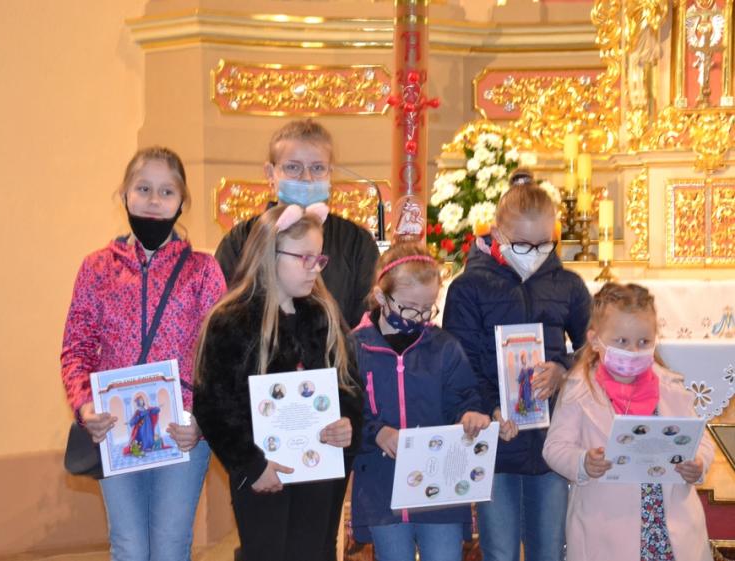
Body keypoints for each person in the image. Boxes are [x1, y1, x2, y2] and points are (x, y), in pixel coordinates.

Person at [60, 146, 226, 561]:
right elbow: (77, 347)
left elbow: (221, 356)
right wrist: (85, 407)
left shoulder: (204, 270)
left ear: (182, 201)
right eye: (143, 188)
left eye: (167, 191)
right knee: (129, 547)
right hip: (116, 427)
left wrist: (200, 420)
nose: (154, 200)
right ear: (124, 195)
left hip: (181, 431)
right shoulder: (96, 268)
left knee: (170, 547)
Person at [193, 203, 364, 561]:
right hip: (262, 474)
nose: (314, 269)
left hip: (318, 471)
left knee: (316, 552)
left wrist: (346, 422)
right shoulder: (231, 321)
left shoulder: (323, 315)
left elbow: (348, 386)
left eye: (319, 259)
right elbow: (213, 405)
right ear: (269, 254)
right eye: (304, 258)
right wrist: (251, 466)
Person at [443, 173, 591, 561]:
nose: (535, 253)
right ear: (497, 233)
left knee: (549, 549)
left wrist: (563, 369)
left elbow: (595, 349)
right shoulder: (468, 288)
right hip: (496, 441)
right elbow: (459, 366)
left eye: (545, 243)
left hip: (551, 441)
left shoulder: (568, 285)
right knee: (500, 550)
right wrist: (490, 409)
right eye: (523, 245)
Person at [543, 282, 715, 561]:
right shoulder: (579, 390)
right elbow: (554, 448)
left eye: (644, 342)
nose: (634, 351)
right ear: (595, 340)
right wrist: (583, 462)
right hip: (606, 530)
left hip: (669, 529)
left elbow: (700, 438)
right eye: (622, 341)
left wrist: (698, 463)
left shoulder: (669, 387)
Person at [350, 243, 492, 561]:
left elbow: (464, 397)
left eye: (429, 308)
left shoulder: (445, 346)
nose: (421, 317)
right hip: (382, 490)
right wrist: (376, 432)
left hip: (440, 492)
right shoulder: (355, 348)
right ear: (381, 297)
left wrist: (470, 415)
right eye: (411, 308)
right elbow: (348, 411)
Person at [215, 118, 379, 329]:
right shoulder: (240, 241)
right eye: (293, 167)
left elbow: (366, 323)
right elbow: (224, 315)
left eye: (318, 168)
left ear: (331, 173)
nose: (307, 178)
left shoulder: (357, 243)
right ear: (270, 173)